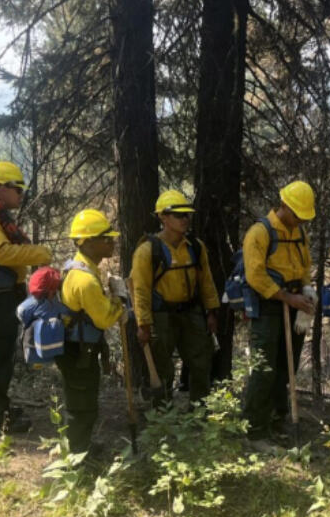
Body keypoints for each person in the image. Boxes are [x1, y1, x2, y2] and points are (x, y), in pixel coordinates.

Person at [0, 160, 52, 433]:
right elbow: (1, 253)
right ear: (0, 187)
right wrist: (39, 254)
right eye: (17, 188)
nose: (20, 194)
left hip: (0, 300)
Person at [130, 190, 221, 407]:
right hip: (161, 316)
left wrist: (211, 312)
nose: (185, 219)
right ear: (163, 217)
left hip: (191, 313)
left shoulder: (195, 247)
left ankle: (201, 412)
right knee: (163, 366)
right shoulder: (147, 250)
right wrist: (143, 324)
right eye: (179, 215)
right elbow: (140, 290)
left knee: (201, 361)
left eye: (187, 215)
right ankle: (163, 414)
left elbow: (206, 281)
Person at [242, 180, 316, 445]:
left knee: (287, 367)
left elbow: (305, 264)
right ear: (284, 205)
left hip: (295, 302)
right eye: (297, 215)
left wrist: (306, 290)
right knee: (265, 369)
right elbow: (255, 276)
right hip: (269, 306)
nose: (299, 221)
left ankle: (277, 418)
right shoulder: (260, 233)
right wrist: (286, 297)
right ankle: (254, 428)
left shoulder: (300, 233)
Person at [57, 209, 125, 456]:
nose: (111, 242)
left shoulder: (82, 267)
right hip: (77, 351)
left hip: (79, 347)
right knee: (81, 406)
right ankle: (77, 457)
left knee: (83, 401)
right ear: (88, 242)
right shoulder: (84, 279)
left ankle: (81, 447)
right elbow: (104, 318)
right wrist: (120, 301)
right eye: (105, 238)